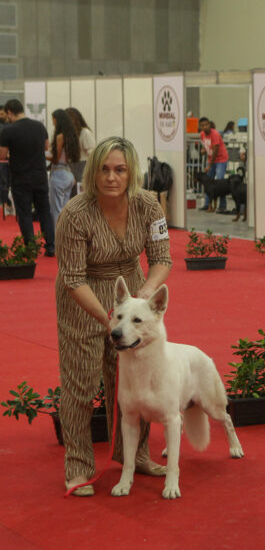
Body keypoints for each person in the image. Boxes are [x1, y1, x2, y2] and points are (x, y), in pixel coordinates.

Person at [55, 137, 173, 496]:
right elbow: (72, 278)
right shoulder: (75, 213)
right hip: (84, 297)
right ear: (93, 172)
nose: (111, 177)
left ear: (131, 172)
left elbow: (162, 258)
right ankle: (78, 467)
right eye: (104, 169)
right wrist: (108, 319)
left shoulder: (149, 204)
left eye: (120, 170)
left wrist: (145, 295)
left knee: (135, 380)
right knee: (83, 383)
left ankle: (135, 456)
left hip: (132, 293)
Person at [0, 99, 55, 256]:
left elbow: (2, 155)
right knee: (44, 211)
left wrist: (12, 153)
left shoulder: (8, 131)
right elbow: (46, 147)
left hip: (20, 178)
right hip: (40, 176)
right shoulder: (39, 126)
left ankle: (30, 249)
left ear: (10, 112)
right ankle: (50, 246)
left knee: (24, 214)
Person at [47, 109, 81, 219]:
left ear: (57, 120)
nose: (53, 123)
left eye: (53, 119)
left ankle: (57, 236)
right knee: (65, 210)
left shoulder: (60, 137)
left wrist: (41, 154)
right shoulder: (72, 136)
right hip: (69, 175)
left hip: (58, 174)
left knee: (56, 211)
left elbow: (55, 159)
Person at [199, 117, 229, 211]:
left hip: (220, 160)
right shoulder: (202, 134)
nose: (205, 127)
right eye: (203, 125)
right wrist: (204, 150)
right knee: (207, 183)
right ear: (201, 126)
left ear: (210, 125)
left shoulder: (215, 134)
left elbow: (215, 151)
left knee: (220, 183)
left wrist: (209, 166)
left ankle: (222, 206)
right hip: (210, 160)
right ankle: (207, 204)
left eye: (207, 125)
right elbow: (207, 145)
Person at [65, 107, 95, 192]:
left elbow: (92, 154)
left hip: (83, 166)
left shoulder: (85, 132)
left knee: (81, 194)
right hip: (72, 167)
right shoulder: (71, 134)